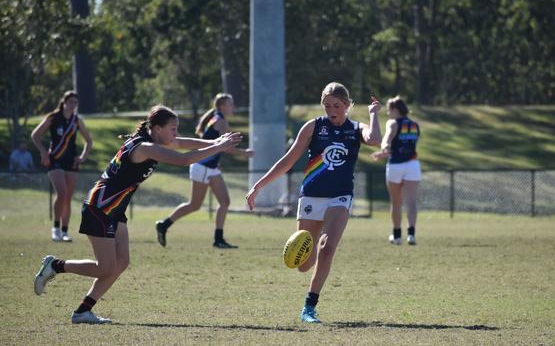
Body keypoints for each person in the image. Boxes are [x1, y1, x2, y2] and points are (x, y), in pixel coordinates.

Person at [33, 105, 242, 324]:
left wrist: (216, 143)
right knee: (105, 268)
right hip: (100, 207)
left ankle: (83, 311)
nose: (176, 133)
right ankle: (55, 265)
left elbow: (183, 143)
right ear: (158, 128)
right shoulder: (144, 147)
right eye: (173, 128)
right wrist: (218, 146)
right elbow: (183, 159)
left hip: (115, 209)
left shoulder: (152, 140)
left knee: (121, 263)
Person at [246, 82, 382, 324]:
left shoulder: (355, 128)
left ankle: (309, 307)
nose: (332, 109)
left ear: (347, 105)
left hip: (340, 196)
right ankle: (308, 263)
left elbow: (374, 139)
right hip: (311, 196)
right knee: (303, 264)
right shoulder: (313, 127)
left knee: (327, 248)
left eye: (337, 105)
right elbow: (287, 161)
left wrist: (373, 115)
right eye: (327, 105)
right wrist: (259, 185)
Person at [155, 93, 254, 249]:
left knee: (224, 202)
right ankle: (164, 224)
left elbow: (215, 145)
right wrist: (245, 153)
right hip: (202, 167)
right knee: (194, 205)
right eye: (230, 104)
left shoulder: (216, 118)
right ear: (222, 106)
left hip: (211, 168)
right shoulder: (221, 121)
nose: (233, 107)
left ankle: (218, 239)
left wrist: (217, 161)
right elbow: (225, 147)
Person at [31, 91, 93, 242]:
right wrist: (44, 153)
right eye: (70, 101)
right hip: (55, 160)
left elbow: (89, 141)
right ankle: (55, 229)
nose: (73, 105)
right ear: (64, 102)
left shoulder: (76, 121)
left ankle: (64, 232)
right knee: (62, 192)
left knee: (68, 198)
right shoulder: (54, 117)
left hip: (71, 162)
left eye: (75, 102)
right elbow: (35, 135)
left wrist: (82, 157)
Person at [371, 96, 421, 245]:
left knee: (396, 202)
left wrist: (384, 148)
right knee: (411, 201)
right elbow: (405, 146)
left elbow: (387, 139)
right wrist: (386, 151)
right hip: (413, 165)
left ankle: (397, 236)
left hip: (395, 166)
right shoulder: (414, 125)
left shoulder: (392, 123)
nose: (388, 113)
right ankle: (411, 234)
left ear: (395, 110)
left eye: (388, 110)